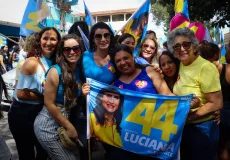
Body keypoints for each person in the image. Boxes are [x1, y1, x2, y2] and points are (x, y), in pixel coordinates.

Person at [167, 27, 223, 160]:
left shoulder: (205, 67)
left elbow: (216, 103)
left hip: (202, 127)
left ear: (194, 45)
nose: (181, 49)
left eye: (186, 44)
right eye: (176, 46)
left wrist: (189, 118)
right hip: (185, 127)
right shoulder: (181, 63)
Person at [8, 27, 61, 160]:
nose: (49, 42)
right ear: (39, 41)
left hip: (42, 114)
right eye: (45, 38)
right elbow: (21, 94)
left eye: (53, 39)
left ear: (58, 42)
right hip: (22, 115)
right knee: (27, 155)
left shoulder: (56, 63)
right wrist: (47, 98)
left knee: (44, 153)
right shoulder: (31, 62)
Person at [34, 34, 87, 160]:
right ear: (62, 52)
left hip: (64, 122)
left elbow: (74, 100)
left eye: (76, 48)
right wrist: (69, 126)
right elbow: (49, 103)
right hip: (48, 125)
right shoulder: (55, 71)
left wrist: (83, 94)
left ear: (81, 50)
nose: (72, 52)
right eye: (67, 49)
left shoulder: (80, 70)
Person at [198, 42, 230, 160]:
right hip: (222, 113)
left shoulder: (203, 70)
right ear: (216, 55)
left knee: (218, 149)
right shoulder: (224, 67)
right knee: (223, 148)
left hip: (215, 114)